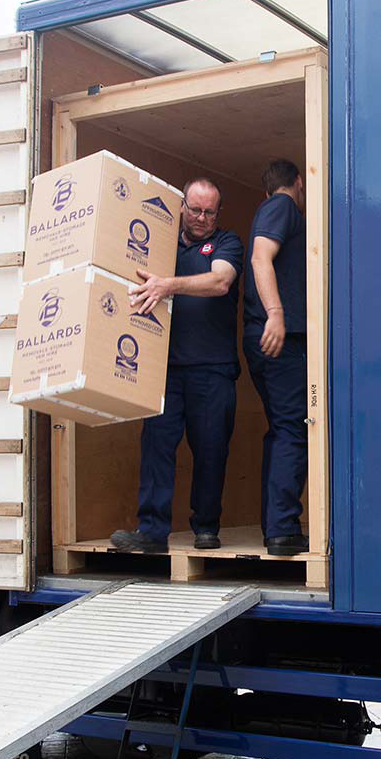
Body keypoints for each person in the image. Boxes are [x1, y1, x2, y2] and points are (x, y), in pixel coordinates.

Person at [110, 178, 243, 553]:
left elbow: (220, 281)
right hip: (165, 369)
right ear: (182, 206)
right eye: (195, 209)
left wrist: (168, 285)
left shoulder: (227, 242)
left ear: (219, 212)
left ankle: (205, 527)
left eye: (209, 212)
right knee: (156, 447)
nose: (201, 218)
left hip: (213, 369)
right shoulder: (159, 244)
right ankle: (151, 532)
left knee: (211, 449)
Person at [243, 159, 309, 556]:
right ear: (298, 183)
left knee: (280, 429)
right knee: (294, 429)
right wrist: (277, 314)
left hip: (265, 337)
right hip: (278, 337)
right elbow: (259, 256)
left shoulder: (268, 206)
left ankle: (275, 524)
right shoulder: (283, 206)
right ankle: (284, 528)